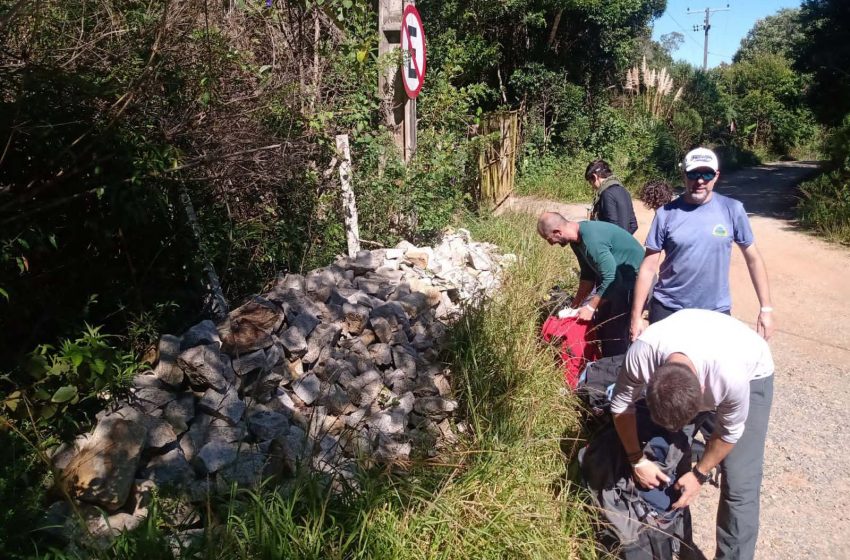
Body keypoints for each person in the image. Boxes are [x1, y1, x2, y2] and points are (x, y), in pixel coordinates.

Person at [610, 309, 774, 560]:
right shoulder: (642, 355)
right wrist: (637, 459)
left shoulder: (731, 377)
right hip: (689, 345)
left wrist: (700, 473)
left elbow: (729, 433)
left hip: (752, 368)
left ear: (703, 389)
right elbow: (621, 405)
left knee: (740, 482)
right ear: (651, 379)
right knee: (669, 457)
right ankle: (678, 544)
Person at [629, 147, 775, 341]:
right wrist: (636, 316)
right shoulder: (666, 214)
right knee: (667, 370)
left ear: (716, 176)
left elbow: (753, 259)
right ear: (684, 176)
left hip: (715, 311)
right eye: (693, 174)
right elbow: (648, 267)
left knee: (712, 370)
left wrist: (766, 309)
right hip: (668, 308)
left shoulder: (732, 209)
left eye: (706, 174)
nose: (700, 181)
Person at [537, 212, 643, 356]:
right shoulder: (576, 242)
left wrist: (590, 307)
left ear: (557, 232)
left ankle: (617, 372)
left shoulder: (591, 239)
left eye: (549, 239)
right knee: (602, 326)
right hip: (615, 283)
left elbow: (611, 278)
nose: (551, 244)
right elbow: (588, 276)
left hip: (632, 283)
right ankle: (604, 367)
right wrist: (574, 307)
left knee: (615, 334)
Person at [585, 160, 638, 234]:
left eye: (591, 182)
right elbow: (633, 225)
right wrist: (625, 239)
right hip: (623, 242)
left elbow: (612, 227)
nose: (593, 187)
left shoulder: (606, 194)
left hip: (611, 244)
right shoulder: (624, 191)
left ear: (595, 176)